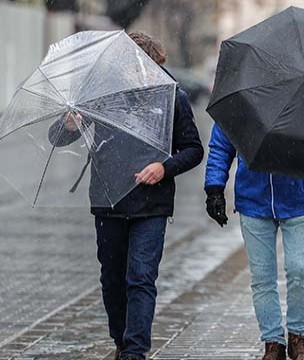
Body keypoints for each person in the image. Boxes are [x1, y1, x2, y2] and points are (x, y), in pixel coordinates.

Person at [49, 32, 204, 360]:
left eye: (137, 64)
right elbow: (57, 137)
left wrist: (164, 168)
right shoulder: (103, 98)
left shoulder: (173, 98)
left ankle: (135, 351)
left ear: (151, 62)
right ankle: (121, 339)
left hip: (152, 204)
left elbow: (192, 149)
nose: (132, 71)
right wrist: (70, 125)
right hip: (109, 201)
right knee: (112, 280)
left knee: (141, 277)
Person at [204, 123, 304, 360]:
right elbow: (221, 145)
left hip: (300, 198)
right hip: (253, 199)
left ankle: (298, 337)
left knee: (300, 270)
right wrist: (214, 188)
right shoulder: (241, 99)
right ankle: (273, 342)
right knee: (262, 277)